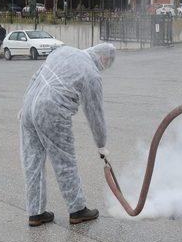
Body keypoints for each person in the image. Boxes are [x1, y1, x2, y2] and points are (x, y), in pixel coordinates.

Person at [19, 43, 115, 227]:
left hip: (30, 105)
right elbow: (95, 113)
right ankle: (77, 209)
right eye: (107, 64)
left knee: (33, 161)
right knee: (64, 160)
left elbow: (36, 76)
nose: (104, 67)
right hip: (51, 109)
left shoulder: (65, 50)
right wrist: (101, 145)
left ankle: (35, 213)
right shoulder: (91, 74)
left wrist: (25, 107)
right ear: (103, 58)